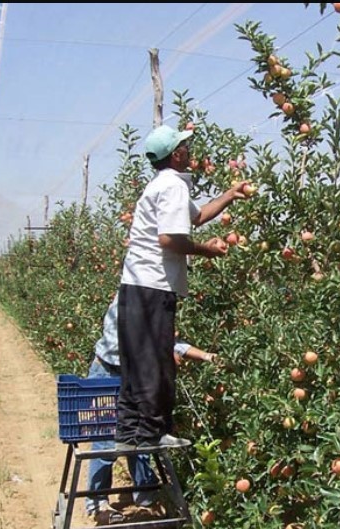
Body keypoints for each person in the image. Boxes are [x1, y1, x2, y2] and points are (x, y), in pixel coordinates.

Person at [116, 124, 247, 450]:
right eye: (185, 147)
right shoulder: (173, 186)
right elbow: (170, 239)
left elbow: (198, 216)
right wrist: (207, 251)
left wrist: (230, 194)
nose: (190, 152)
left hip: (135, 283)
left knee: (136, 361)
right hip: (153, 286)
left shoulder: (160, 185)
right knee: (156, 361)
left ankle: (128, 433)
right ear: (176, 154)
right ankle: (151, 434)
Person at [86, 296, 216, 524]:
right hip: (107, 372)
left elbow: (171, 341)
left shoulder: (158, 300)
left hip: (135, 374)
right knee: (105, 441)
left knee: (141, 434)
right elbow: (129, 338)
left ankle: (145, 497)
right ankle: (97, 503)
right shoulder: (128, 299)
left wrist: (207, 356)